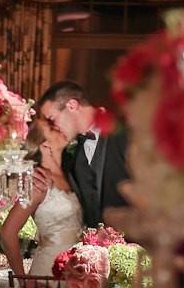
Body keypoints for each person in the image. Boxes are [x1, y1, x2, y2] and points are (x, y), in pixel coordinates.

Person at [36, 80, 130, 228]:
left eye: (52, 119)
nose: (53, 127)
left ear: (72, 106)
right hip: (92, 245)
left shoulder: (125, 131)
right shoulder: (70, 154)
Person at [0, 117, 83, 277]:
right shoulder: (38, 183)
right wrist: (21, 277)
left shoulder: (72, 176)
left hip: (77, 273)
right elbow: (7, 233)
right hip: (48, 271)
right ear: (44, 144)